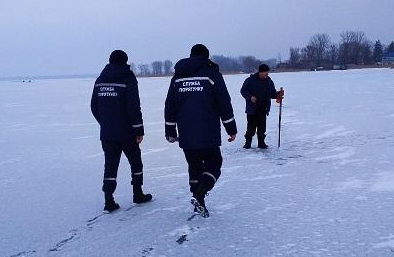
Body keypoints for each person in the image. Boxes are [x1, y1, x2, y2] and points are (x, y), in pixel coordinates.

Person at [164, 44, 237, 217]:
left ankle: (199, 199)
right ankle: (199, 194)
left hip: (186, 132)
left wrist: (170, 130)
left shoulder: (178, 76)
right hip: (208, 131)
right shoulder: (212, 74)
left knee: (194, 166)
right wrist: (231, 128)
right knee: (214, 164)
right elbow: (223, 102)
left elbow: (170, 105)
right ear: (206, 56)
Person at [91, 50, 152, 212]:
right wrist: (139, 129)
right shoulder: (128, 78)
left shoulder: (100, 79)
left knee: (110, 164)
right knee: (135, 162)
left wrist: (104, 123)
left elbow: (94, 106)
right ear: (125, 62)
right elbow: (133, 106)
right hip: (127, 132)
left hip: (108, 132)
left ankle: (108, 200)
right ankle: (138, 193)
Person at [240, 64, 284, 149]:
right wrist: (250, 97)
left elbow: (272, 93)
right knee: (251, 128)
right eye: (265, 73)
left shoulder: (269, 81)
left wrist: (278, 94)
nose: (267, 74)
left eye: (268, 72)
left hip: (263, 108)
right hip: (252, 109)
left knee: (262, 128)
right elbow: (243, 91)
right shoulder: (250, 80)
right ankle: (247, 143)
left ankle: (261, 143)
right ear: (260, 72)